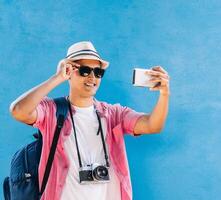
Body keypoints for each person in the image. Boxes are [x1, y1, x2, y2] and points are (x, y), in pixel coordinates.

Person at [9, 41, 170, 200]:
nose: (92, 77)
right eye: (85, 71)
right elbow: (19, 111)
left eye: (98, 72)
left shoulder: (114, 114)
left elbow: (152, 125)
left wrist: (164, 94)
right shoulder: (52, 110)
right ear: (69, 72)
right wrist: (57, 78)